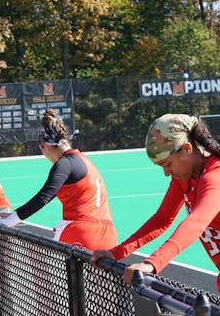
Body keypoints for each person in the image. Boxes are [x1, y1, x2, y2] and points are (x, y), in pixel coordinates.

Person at [90, 113, 220, 291]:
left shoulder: (215, 176)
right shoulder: (184, 178)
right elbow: (162, 219)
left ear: (187, 149)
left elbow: (196, 222)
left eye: (168, 164)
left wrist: (152, 263)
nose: (167, 173)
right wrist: (117, 252)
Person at [0, 108, 117, 251]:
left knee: (40, 262)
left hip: (79, 233)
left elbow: (43, 197)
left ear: (45, 146)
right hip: (108, 236)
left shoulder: (64, 164)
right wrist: (11, 216)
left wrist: (7, 223)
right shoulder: (83, 161)